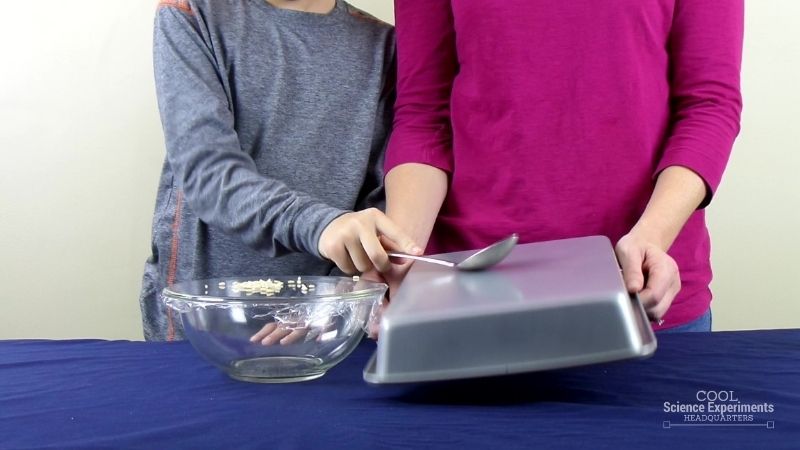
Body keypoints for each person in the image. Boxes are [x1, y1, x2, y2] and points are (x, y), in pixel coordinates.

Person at [375, 0, 744, 333]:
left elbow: (709, 105)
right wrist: (402, 254)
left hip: (635, 283)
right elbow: (424, 114)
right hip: (470, 288)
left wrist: (653, 236)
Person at [140, 0, 420, 341]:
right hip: (201, 319)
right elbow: (208, 175)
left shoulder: (385, 46)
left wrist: (338, 296)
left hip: (321, 327)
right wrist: (322, 226)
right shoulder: (191, 13)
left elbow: (378, 198)